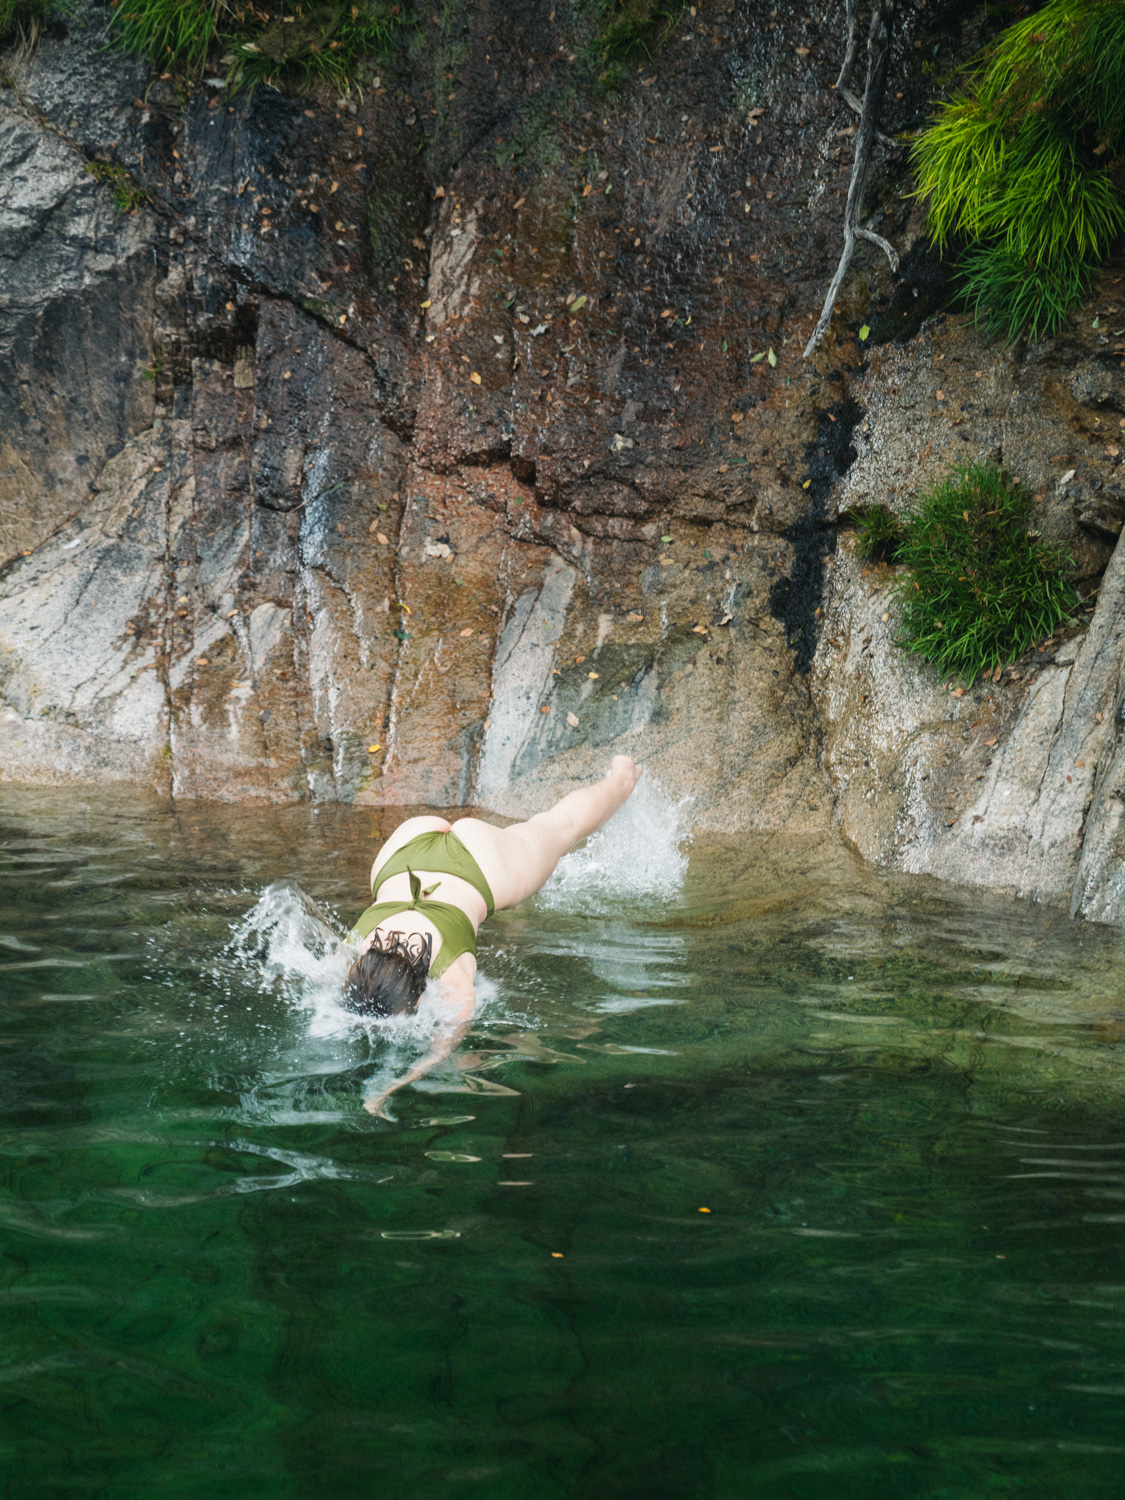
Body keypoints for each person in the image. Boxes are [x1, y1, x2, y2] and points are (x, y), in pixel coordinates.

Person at [344, 755, 643, 1116]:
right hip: (405, 847)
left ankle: (623, 778)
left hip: (482, 864)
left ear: (420, 999)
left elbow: (440, 1052)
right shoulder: (354, 947)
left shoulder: (453, 978)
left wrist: (388, 1089)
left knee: (564, 826)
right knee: (554, 824)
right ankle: (621, 774)